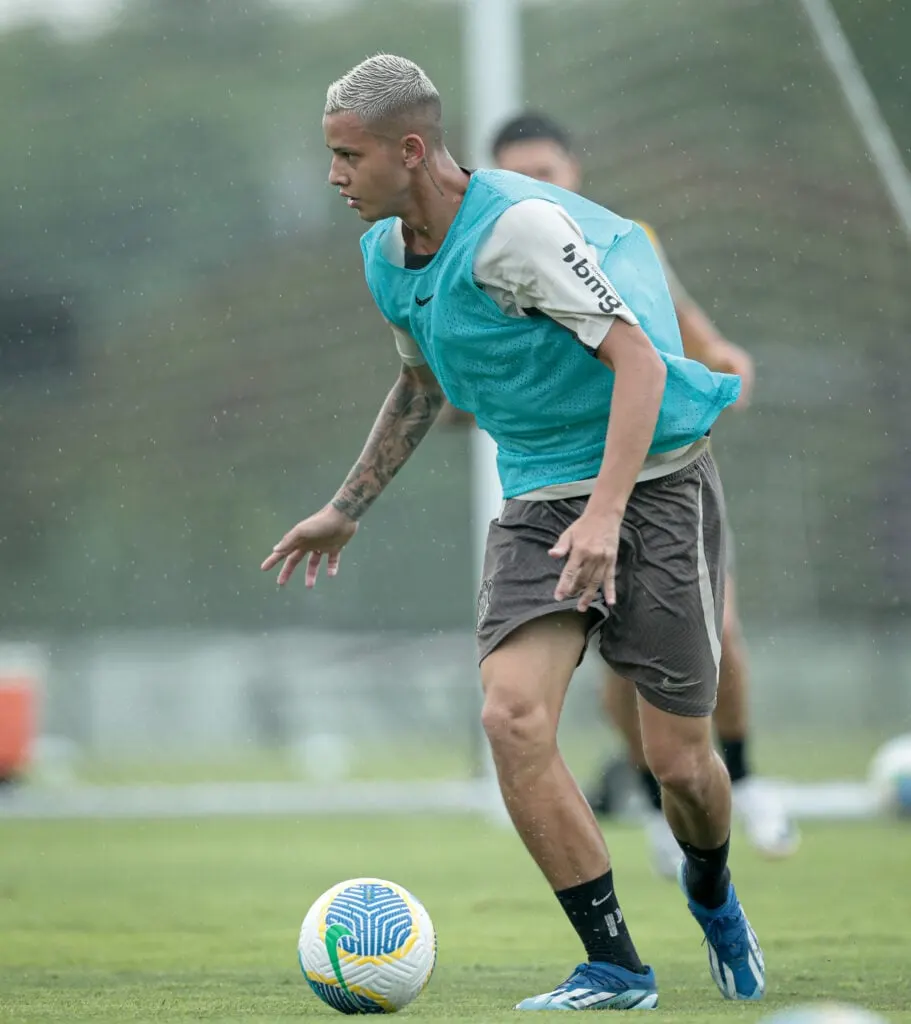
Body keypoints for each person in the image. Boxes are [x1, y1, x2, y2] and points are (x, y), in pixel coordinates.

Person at [263, 55, 765, 1009]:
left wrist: (609, 516)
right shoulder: (383, 253)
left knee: (679, 767)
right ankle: (615, 966)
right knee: (511, 716)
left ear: (410, 151)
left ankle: (712, 895)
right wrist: (346, 506)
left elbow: (640, 367)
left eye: (346, 156)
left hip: (652, 484)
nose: (333, 176)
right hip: (537, 501)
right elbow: (421, 383)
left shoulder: (521, 232)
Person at [488, 112, 800, 878]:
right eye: (515, 173)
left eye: (546, 171)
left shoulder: (629, 241)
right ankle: (658, 803)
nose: (533, 185)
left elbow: (688, 328)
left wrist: (722, 354)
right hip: (564, 494)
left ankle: (744, 778)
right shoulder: (497, 260)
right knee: (617, 671)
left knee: (717, 634)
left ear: (575, 171)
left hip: (661, 484)